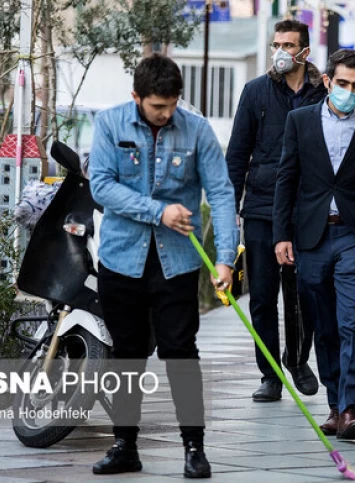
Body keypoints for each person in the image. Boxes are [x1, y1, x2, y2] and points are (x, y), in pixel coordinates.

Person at [88, 54, 238, 478]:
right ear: (136, 97)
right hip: (121, 259)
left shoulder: (197, 129)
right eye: (157, 106)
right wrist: (159, 212)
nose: (167, 113)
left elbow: (222, 195)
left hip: (178, 263)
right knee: (128, 354)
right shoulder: (109, 124)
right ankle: (124, 446)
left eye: (172, 104)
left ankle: (194, 447)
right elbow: (101, 186)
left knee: (180, 351)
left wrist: (225, 259)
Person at [272, 49, 355, 440]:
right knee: (324, 326)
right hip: (311, 236)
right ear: (327, 81)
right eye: (343, 84)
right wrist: (282, 235)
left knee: (354, 322)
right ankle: (333, 403)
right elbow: (286, 179)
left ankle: (350, 409)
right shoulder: (299, 121)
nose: (349, 91)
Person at [226, 19, 324, 403]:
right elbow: (237, 154)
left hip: (306, 210)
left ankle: (297, 359)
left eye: (289, 44)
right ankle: (270, 373)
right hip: (263, 208)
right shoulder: (256, 92)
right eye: (276, 44)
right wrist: (230, 209)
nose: (281, 51)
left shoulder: (322, 93)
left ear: (305, 51)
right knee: (263, 296)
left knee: (303, 295)